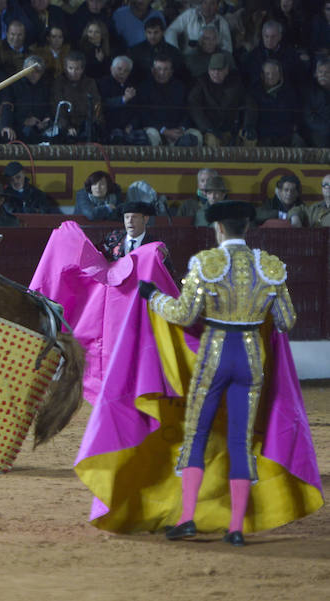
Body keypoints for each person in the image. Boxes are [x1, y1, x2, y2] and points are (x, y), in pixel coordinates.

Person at [139, 200, 297, 547]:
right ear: (247, 228)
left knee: (197, 433)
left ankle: (187, 519)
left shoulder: (206, 263)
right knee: (241, 440)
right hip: (251, 356)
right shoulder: (269, 267)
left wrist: (153, 298)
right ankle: (236, 528)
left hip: (216, 352)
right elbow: (287, 321)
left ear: (219, 229)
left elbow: (183, 314)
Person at [187, 52, 252, 148]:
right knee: (213, 141)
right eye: (213, 70)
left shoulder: (235, 82)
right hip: (210, 130)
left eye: (220, 70)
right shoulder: (201, 83)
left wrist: (248, 125)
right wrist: (208, 128)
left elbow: (250, 103)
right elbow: (193, 106)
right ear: (208, 70)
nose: (216, 73)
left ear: (227, 70)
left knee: (249, 138)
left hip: (231, 129)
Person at [137, 55, 200, 146]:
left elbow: (188, 111)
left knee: (196, 136)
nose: (162, 72)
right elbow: (144, 115)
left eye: (166, 69)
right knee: (152, 135)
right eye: (159, 69)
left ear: (171, 72)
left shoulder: (180, 87)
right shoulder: (144, 87)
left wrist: (182, 129)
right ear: (153, 71)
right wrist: (164, 131)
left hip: (177, 130)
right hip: (156, 129)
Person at [50, 51, 102, 143]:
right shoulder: (59, 83)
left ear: (82, 69)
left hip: (87, 125)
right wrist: (68, 127)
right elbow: (58, 108)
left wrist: (92, 124)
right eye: (70, 68)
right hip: (66, 125)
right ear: (66, 68)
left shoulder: (90, 83)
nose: (73, 72)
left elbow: (96, 105)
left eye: (77, 69)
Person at [247, 59, 301, 147]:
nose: (271, 77)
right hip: (262, 135)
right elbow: (250, 115)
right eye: (267, 74)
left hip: (286, 134)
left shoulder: (290, 91)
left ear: (280, 75)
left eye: (274, 74)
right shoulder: (254, 92)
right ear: (262, 75)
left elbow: (296, 114)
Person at [97, 55, 147, 145]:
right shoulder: (103, 83)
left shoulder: (132, 87)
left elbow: (138, 111)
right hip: (110, 127)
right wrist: (123, 99)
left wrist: (131, 125)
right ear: (112, 68)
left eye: (126, 71)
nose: (122, 73)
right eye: (119, 69)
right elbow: (104, 104)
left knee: (144, 141)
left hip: (129, 128)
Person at [99, 200, 166, 262]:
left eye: (134, 217)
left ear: (145, 219)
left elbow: (166, 271)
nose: (130, 221)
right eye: (127, 217)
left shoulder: (154, 244)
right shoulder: (113, 239)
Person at [127, 16, 184, 85]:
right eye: (149, 32)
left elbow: (179, 75)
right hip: (142, 88)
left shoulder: (173, 52)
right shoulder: (135, 51)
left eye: (156, 32)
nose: (152, 36)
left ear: (163, 32)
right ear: (145, 33)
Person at [164, 0, 233, 56]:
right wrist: (175, 52)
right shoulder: (190, 14)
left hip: (212, 64)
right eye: (205, 2)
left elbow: (228, 48)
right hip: (189, 59)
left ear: (217, 6)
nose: (207, 7)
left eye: (212, 4)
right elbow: (171, 30)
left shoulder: (222, 23)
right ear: (201, 3)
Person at [12, 55, 52, 143]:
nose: (33, 74)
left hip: (41, 127)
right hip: (19, 127)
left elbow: (49, 107)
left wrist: (46, 120)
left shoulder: (45, 86)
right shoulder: (14, 86)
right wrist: (24, 121)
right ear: (24, 69)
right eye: (30, 70)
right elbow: (8, 111)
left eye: (38, 71)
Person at [303, 57, 329, 148]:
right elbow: (309, 117)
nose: (323, 75)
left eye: (327, 72)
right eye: (320, 72)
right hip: (317, 131)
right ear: (316, 74)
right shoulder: (309, 91)